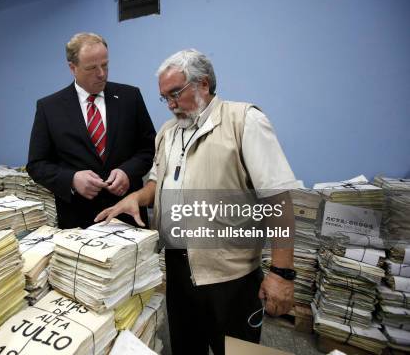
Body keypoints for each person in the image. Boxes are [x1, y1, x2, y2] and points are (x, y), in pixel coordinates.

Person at [95, 49, 301, 354]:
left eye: (176, 93)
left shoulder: (244, 120)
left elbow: (278, 201)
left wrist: (281, 274)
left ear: (203, 84)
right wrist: (136, 198)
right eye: (165, 97)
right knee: (186, 348)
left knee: (237, 351)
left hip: (232, 276)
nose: (171, 104)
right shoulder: (167, 133)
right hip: (178, 270)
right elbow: (157, 181)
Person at [27, 32, 156, 229]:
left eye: (105, 65)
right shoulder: (49, 108)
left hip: (128, 214)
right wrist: (71, 179)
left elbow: (149, 148)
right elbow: (37, 165)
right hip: (78, 219)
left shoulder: (130, 97)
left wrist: (127, 171)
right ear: (73, 68)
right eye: (91, 68)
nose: (101, 74)